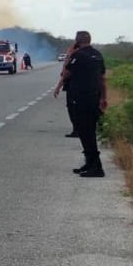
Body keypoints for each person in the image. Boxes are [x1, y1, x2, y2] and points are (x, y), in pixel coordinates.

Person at [54, 31, 107, 177]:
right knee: (88, 131)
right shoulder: (97, 55)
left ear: (77, 41)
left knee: (85, 133)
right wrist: (104, 98)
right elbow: (102, 79)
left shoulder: (78, 56)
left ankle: (96, 167)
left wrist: (69, 55)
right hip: (94, 98)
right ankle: (90, 163)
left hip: (80, 98)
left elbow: (65, 74)